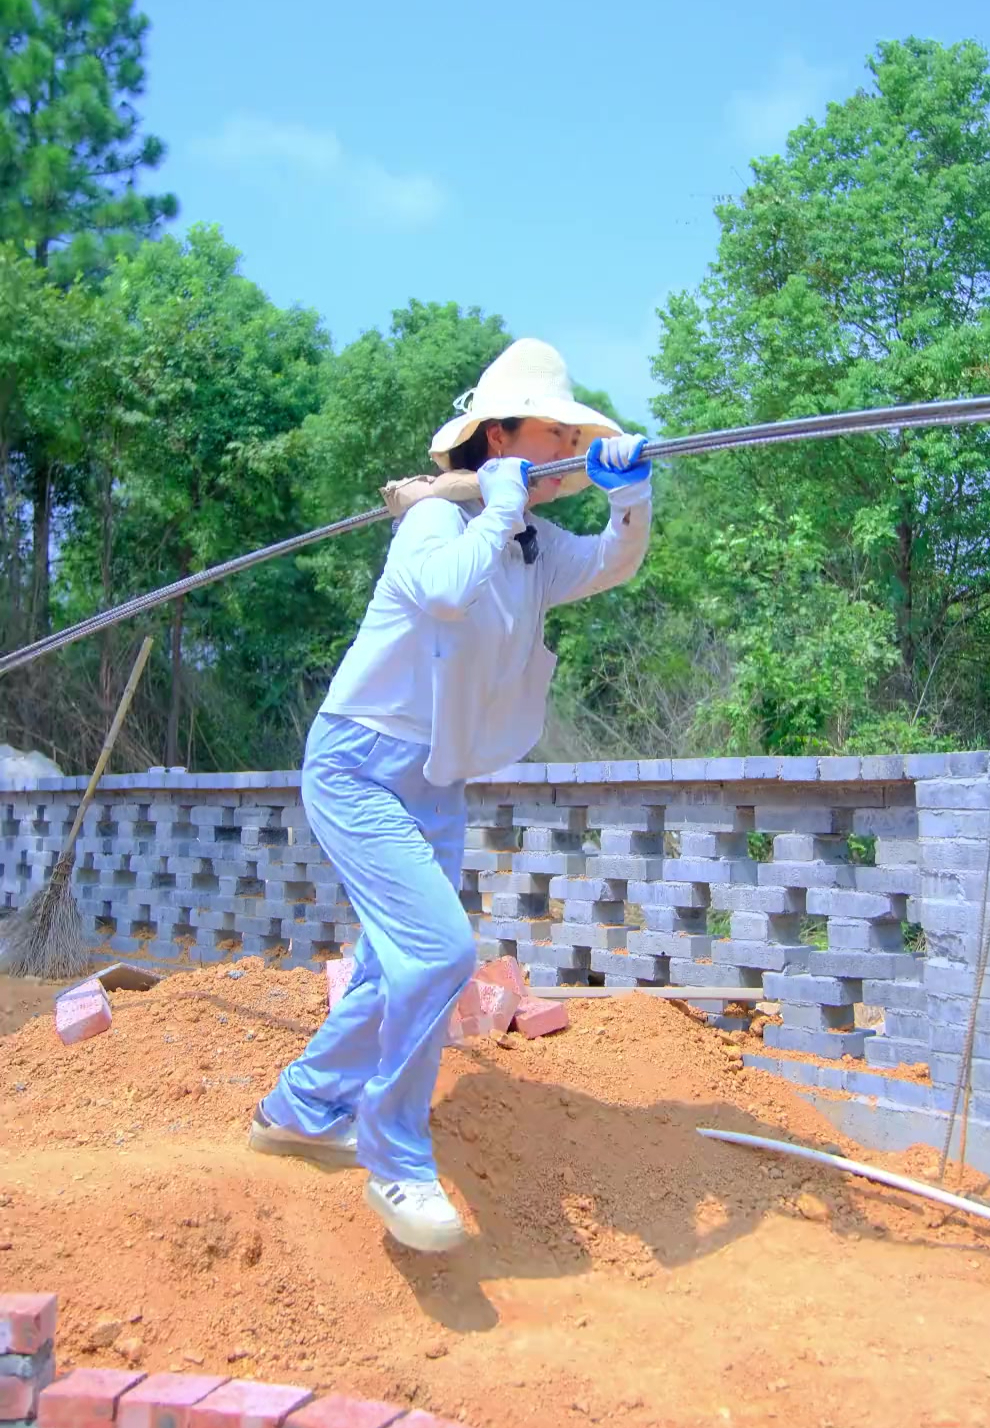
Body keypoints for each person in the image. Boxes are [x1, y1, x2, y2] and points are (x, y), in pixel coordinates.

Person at [249, 338, 652, 1252]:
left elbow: (609, 566)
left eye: (572, 435)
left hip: (436, 779)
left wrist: (631, 502)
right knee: (439, 953)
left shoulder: (534, 543)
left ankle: (301, 1108)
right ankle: (395, 1159)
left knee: (398, 962)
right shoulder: (436, 524)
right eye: (551, 431)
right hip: (359, 765)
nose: (563, 447)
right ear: (500, 436)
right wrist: (493, 507)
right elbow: (439, 594)